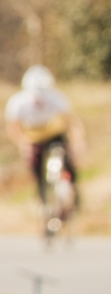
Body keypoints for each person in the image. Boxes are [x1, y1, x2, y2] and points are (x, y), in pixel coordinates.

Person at [6, 65, 84, 210]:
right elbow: (13, 127)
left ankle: (73, 190)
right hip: (32, 138)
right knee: (37, 170)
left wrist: (77, 143)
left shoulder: (57, 98)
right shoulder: (18, 103)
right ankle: (44, 204)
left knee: (68, 161)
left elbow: (72, 122)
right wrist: (23, 144)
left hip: (54, 135)